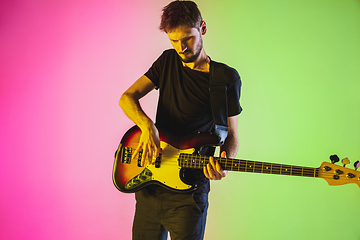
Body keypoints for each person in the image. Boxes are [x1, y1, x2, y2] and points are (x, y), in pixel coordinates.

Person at [119, 1, 242, 239]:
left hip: (189, 194)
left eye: (187, 38)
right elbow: (127, 98)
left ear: (202, 28)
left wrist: (225, 162)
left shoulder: (226, 78)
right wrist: (148, 127)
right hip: (150, 184)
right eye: (173, 40)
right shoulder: (167, 61)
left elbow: (232, 135)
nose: (181, 47)